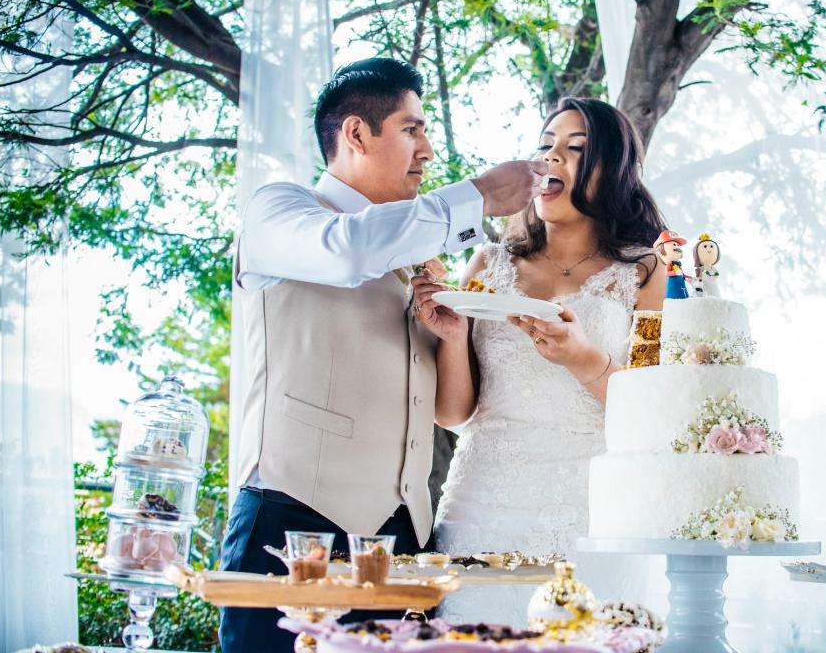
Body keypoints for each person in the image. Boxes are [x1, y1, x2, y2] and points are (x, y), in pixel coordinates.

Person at [219, 57, 544, 651]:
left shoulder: (422, 253)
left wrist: (448, 334)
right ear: (356, 133)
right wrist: (480, 196)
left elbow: (446, 409)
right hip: (290, 523)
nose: (426, 148)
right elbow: (347, 251)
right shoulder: (279, 210)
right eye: (411, 128)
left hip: (400, 540)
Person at [411, 97, 667, 624]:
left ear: (614, 170)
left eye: (575, 149)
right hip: (482, 502)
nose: (553, 158)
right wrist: (454, 337)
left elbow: (652, 412)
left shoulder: (645, 272)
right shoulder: (488, 262)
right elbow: (454, 413)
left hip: (593, 510)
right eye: (545, 146)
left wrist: (583, 358)